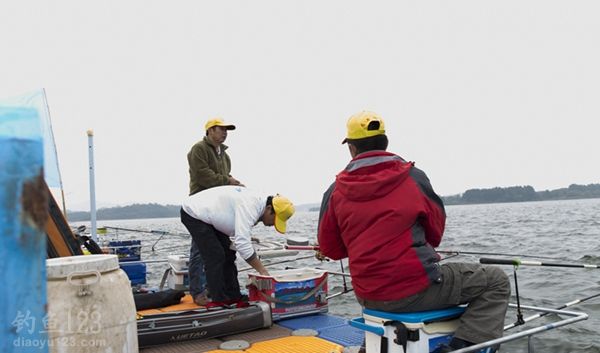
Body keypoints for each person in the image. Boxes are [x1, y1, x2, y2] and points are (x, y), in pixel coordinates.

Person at [317, 111, 510, 352]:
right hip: (417, 288)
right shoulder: (414, 177)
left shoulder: (334, 191)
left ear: (351, 149)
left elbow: (331, 249)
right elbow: (435, 234)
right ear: (385, 143)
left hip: (369, 295)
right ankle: (463, 346)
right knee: (496, 280)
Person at [181, 185, 295, 306]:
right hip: (194, 212)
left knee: (229, 254)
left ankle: (234, 295)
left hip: (211, 216)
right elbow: (242, 244)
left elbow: (239, 228)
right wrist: (262, 270)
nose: (273, 224)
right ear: (268, 208)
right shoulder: (251, 206)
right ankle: (219, 300)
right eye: (275, 219)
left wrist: (245, 235)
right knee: (215, 256)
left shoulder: (258, 205)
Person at [186, 117, 243, 305]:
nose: (225, 133)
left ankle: (218, 289)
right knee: (200, 251)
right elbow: (203, 176)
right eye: (221, 129)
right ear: (210, 130)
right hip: (199, 207)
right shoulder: (198, 149)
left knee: (222, 250)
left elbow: (223, 177)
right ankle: (197, 291)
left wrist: (235, 183)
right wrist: (228, 181)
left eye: (227, 130)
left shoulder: (225, 156)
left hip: (218, 209)